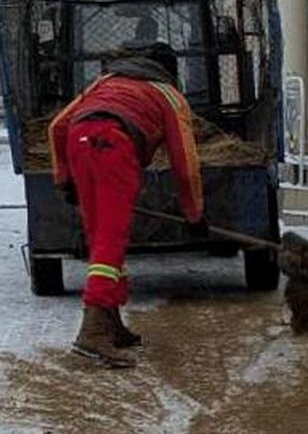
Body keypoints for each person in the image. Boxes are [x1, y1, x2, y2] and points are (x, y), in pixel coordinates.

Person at [47, 44, 204, 367]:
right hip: (115, 147)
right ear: (169, 73)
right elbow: (185, 162)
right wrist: (194, 213)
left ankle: (110, 322)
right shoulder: (168, 94)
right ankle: (91, 332)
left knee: (99, 239)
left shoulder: (104, 83)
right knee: (111, 239)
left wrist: (65, 179)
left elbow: (57, 127)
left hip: (80, 141)